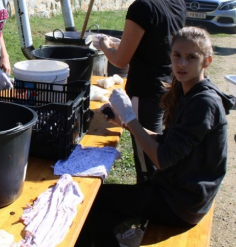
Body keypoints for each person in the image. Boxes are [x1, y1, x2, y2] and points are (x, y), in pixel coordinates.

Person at [76, 26, 234, 247]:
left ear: (207, 61)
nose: (181, 64)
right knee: (101, 213)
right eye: (177, 55)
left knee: (93, 201)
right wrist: (123, 121)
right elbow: (167, 141)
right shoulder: (188, 91)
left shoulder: (203, 103)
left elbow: (162, 158)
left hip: (182, 203)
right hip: (179, 192)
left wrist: (131, 118)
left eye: (191, 57)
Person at [95, 0, 186, 183]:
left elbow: (120, 60)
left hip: (146, 91)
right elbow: (159, 41)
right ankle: (158, 200)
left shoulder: (142, 7)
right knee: (164, 144)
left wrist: (104, 44)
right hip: (173, 86)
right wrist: (120, 43)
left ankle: (149, 210)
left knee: (147, 156)